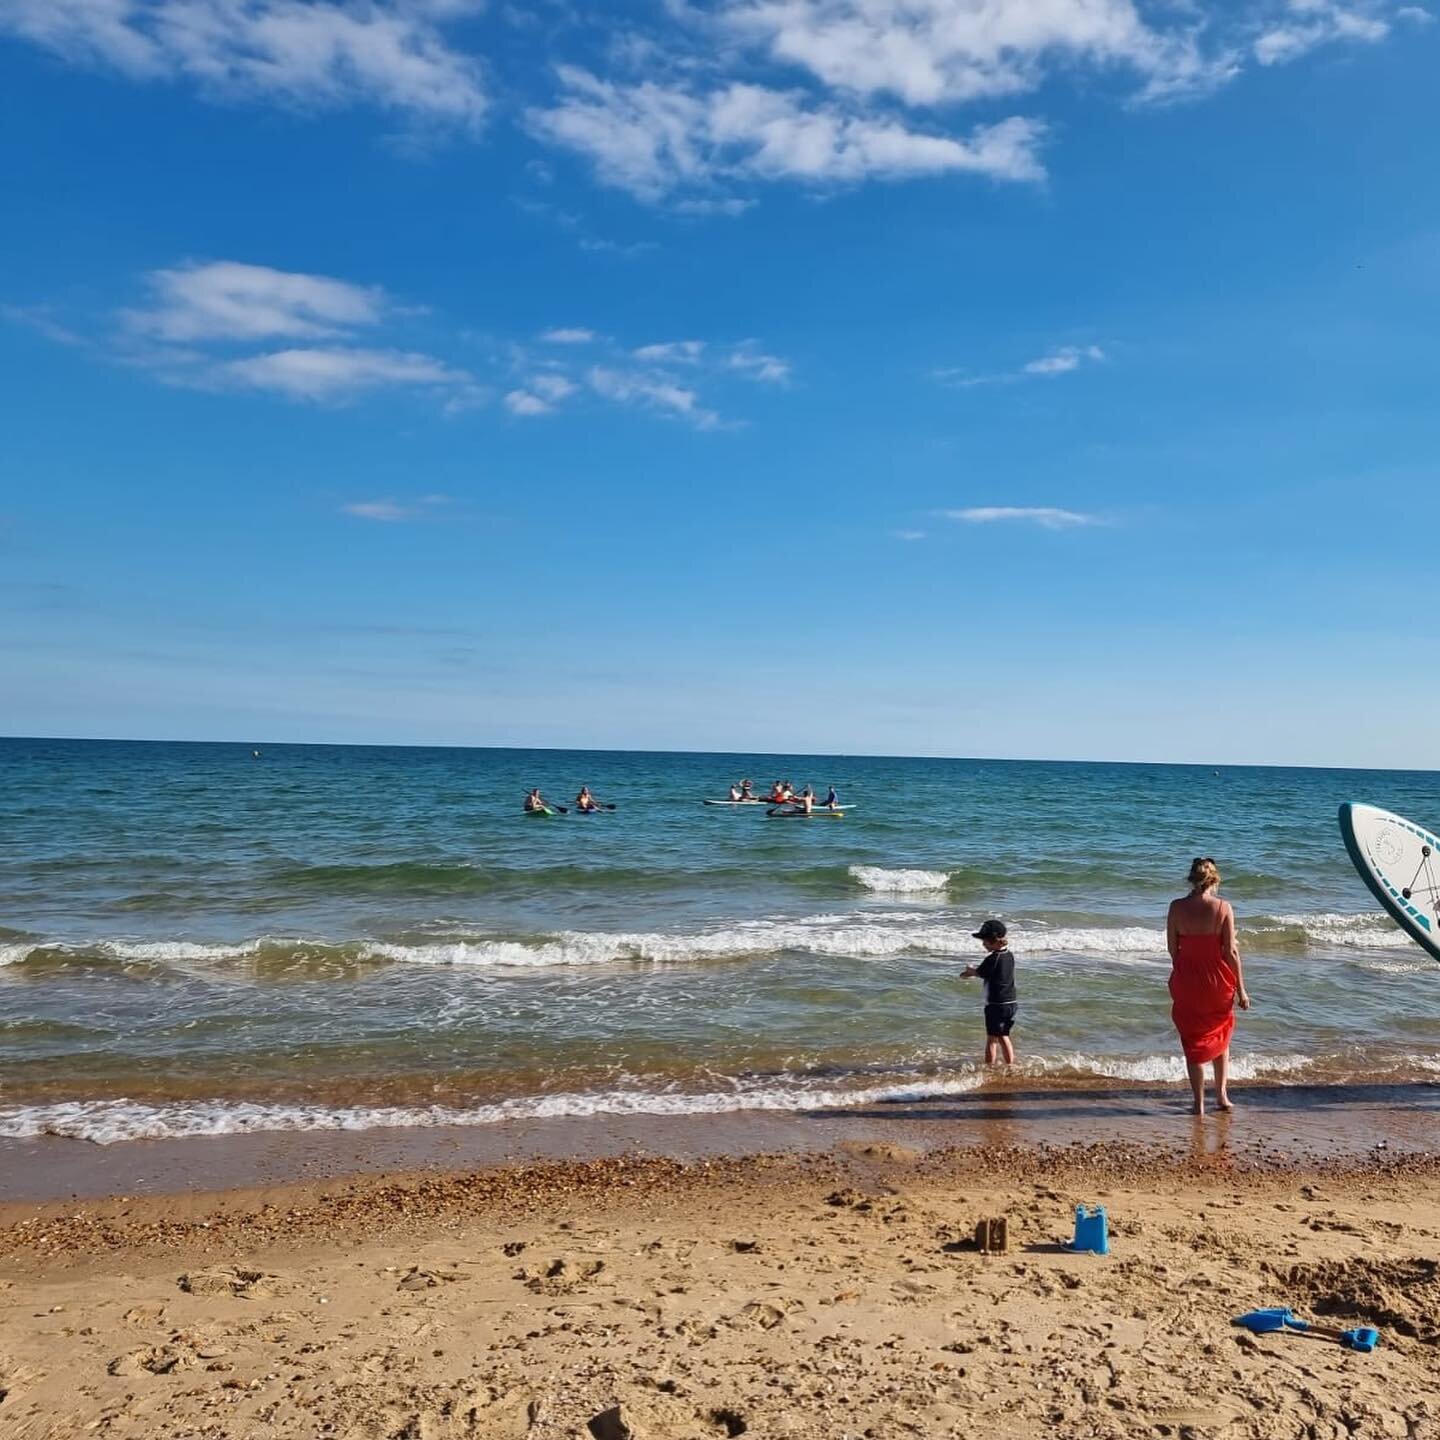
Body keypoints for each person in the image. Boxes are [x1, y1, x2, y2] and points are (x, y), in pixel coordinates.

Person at [1167, 856, 1250, 1116]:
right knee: (1220, 1036)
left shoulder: (1176, 907)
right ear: (1214, 880)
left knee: (1192, 1041)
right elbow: (1231, 953)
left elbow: (1172, 949)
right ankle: (1222, 1096)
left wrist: (1186, 970)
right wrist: (1241, 989)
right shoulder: (1224, 907)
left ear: (1192, 878)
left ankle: (1198, 1103)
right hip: (1217, 981)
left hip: (1187, 980)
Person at [961, 919, 1017, 1065]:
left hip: (996, 1005)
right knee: (1004, 1035)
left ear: (994, 941)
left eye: (985, 941)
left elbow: (979, 973)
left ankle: (989, 1068)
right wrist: (974, 972)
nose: (983, 944)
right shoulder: (1009, 955)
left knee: (992, 1039)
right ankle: (1010, 1066)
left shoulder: (993, 959)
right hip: (1011, 1002)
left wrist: (968, 972)